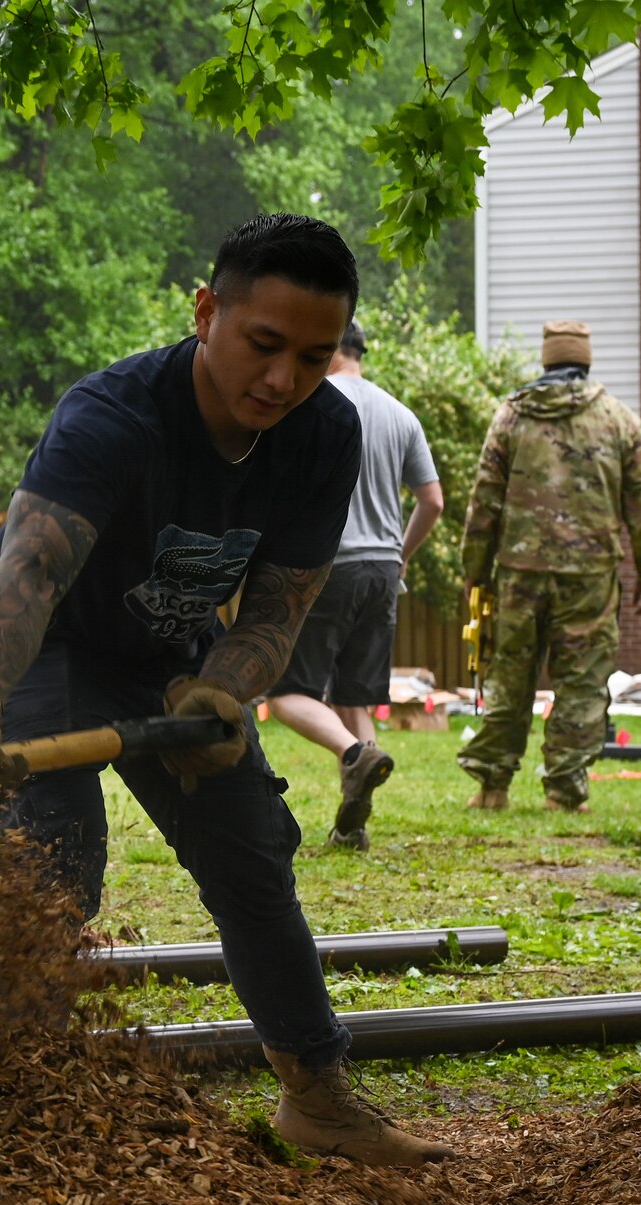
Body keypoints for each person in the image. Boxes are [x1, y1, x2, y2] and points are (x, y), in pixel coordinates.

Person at [0, 214, 451, 1167]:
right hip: (45, 645)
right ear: (207, 311)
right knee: (55, 863)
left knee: (252, 852)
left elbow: (281, 605)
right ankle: (7, 1086)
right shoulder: (115, 414)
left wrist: (224, 693)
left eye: (313, 355)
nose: (284, 379)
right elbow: (31, 572)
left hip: (170, 651)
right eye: (264, 345)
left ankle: (317, 1095)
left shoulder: (326, 432)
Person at [458, 320, 641, 812]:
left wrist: (475, 569)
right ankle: (565, 792)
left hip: (519, 570)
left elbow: (484, 500)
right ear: (585, 361)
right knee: (581, 680)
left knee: (509, 672)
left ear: (546, 362)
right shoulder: (619, 420)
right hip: (590, 575)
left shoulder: (512, 416)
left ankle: (492, 787)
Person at [266, 319, 444, 850]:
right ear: (362, 351)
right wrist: (401, 556)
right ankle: (354, 825)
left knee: (286, 695)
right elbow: (431, 500)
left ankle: (353, 756)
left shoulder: (311, 405)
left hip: (329, 564)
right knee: (353, 697)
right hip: (382, 571)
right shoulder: (400, 414)